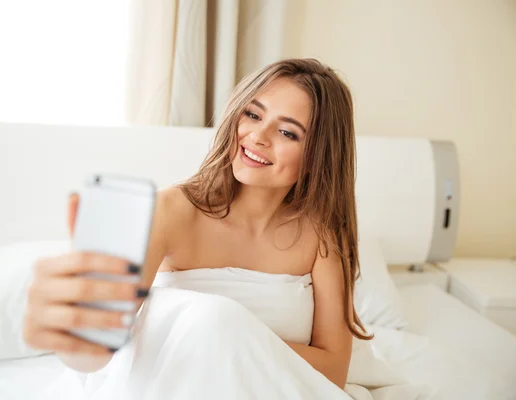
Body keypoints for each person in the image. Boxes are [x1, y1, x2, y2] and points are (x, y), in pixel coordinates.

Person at [23, 58, 373, 395]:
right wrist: (72, 327)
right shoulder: (172, 211)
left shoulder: (322, 234)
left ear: (318, 155)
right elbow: (92, 354)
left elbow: (333, 371)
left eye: (287, 132)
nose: (258, 136)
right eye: (252, 114)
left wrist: (228, 337)